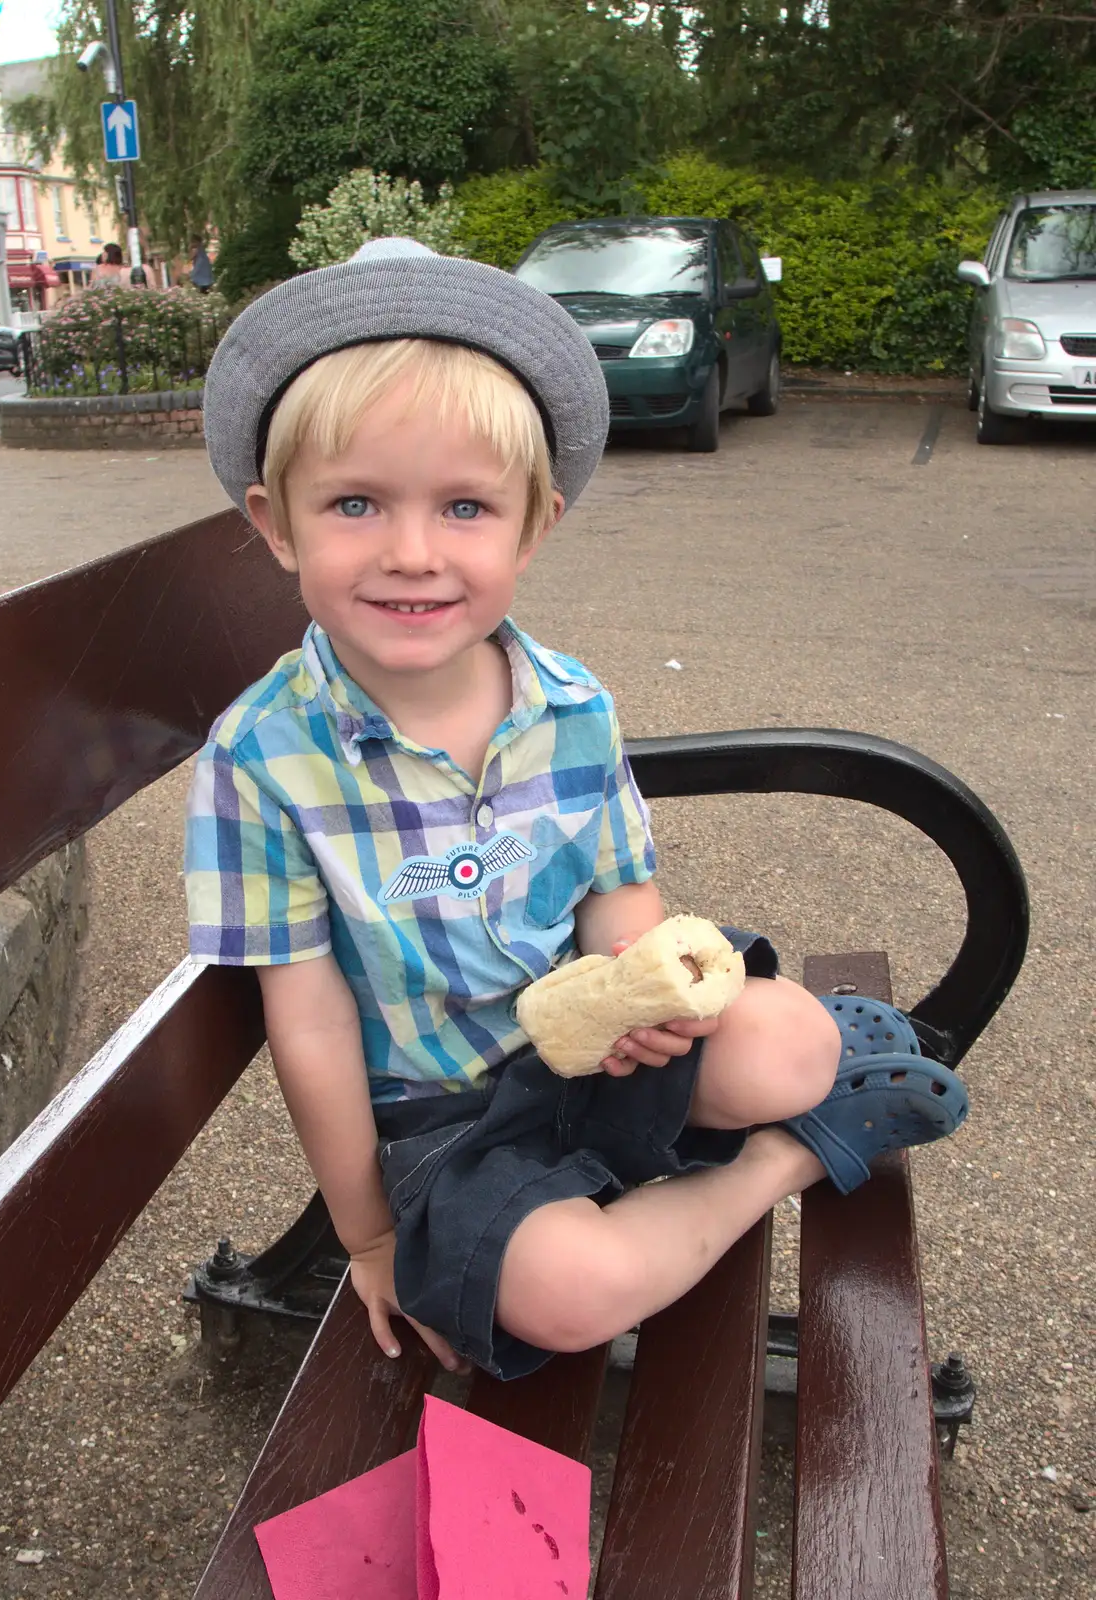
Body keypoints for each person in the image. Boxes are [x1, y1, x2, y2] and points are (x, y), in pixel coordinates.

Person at [185, 238, 970, 1380]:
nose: (413, 554)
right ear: (278, 522)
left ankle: (799, 1086)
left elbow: (617, 899)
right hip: (441, 1118)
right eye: (356, 502)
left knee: (792, 1038)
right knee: (570, 1293)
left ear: (533, 525)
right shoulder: (261, 761)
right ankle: (784, 1162)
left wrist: (646, 999)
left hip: (588, 1052)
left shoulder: (570, 707)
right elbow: (306, 1021)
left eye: (464, 506)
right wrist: (364, 1232)